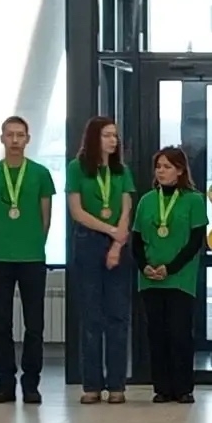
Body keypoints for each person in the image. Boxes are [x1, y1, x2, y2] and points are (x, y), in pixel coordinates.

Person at [0, 116, 56, 405]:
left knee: (34, 324)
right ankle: (5, 383)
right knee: (1, 324)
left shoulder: (40, 174)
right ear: (2, 138)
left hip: (32, 256)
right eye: (9, 134)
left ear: (27, 139)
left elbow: (45, 218)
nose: (14, 140)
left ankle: (31, 383)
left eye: (19, 135)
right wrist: (4, 239)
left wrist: (32, 241)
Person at [66, 116, 135, 404]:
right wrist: (109, 230)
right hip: (88, 241)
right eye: (107, 135)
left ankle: (117, 384)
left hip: (118, 242)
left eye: (115, 135)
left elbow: (126, 207)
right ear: (94, 138)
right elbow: (77, 211)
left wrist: (117, 241)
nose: (113, 140)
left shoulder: (121, 171)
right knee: (91, 316)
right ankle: (91, 384)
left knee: (117, 316)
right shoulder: (77, 168)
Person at [132, 147, 207, 403]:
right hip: (150, 278)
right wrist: (144, 266)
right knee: (156, 334)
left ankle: (183, 388)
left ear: (180, 170)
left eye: (167, 167)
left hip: (180, 278)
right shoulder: (146, 201)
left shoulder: (194, 200)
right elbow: (136, 240)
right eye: (158, 167)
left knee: (179, 333)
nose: (161, 171)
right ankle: (162, 388)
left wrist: (171, 268)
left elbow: (196, 241)